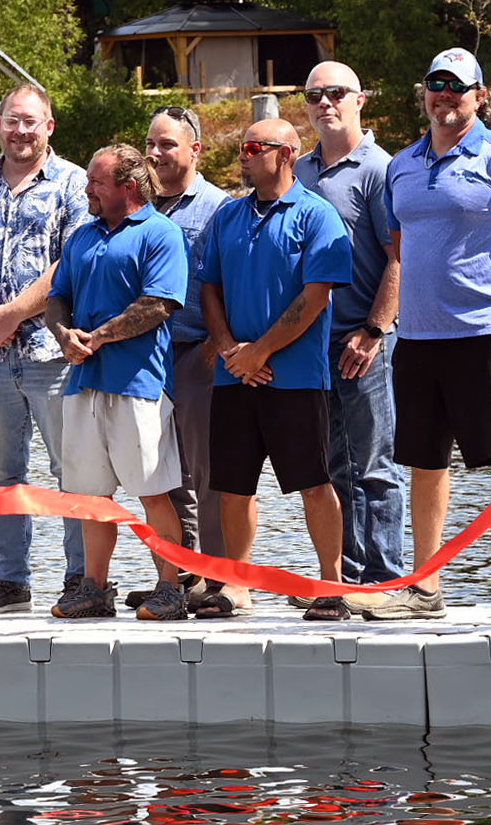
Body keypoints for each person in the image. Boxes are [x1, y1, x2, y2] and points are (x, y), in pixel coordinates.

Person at [346, 48, 491, 624]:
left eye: (457, 86)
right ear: (424, 92)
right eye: (435, 84)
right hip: (418, 339)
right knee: (424, 462)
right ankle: (424, 588)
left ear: (479, 95)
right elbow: (401, 250)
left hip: (485, 336)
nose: (445, 94)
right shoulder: (401, 166)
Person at [196, 118, 354, 621]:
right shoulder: (228, 215)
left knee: (314, 481)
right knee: (233, 485)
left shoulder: (317, 215)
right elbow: (208, 287)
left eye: (252, 147)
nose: (242, 155)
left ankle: (330, 585)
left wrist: (260, 352)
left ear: (286, 154)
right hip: (233, 375)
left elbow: (315, 297)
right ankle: (237, 585)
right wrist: (230, 350)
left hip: (296, 379)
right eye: (243, 147)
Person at [0, 82, 89, 614]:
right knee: (1, 473)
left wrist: (12, 313)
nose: (20, 131)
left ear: (48, 126)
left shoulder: (73, 183)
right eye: (11, 120)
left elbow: (70, 263)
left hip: (51, 352)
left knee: (72, 469)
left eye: (30, 121)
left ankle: (81, 580)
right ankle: (11, 583)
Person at [42, 145, 190, 620]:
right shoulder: (82, 237)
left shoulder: (160, 233)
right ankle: (94, 588)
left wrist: (100, 336)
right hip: (83, 382)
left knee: (153, 490)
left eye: (96, 182)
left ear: (127, 187)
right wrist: (63, 334)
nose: (86, 189)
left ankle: (170, 589)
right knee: (90, 495)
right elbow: (56, 298)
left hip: (139, 384)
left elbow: (158, 304)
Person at [294, 62, 407, 587]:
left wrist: (375, 330)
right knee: (332, 466)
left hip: (365, 342)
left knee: (376, 465)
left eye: (336, 93)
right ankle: (345, 577)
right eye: (314, 95)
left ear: (360, 100)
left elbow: (399, 257)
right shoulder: (299, 171)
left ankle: (387, 579)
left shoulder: (381, 170)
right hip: (312, 344)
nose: (325, 103)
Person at [146, 104, 230, 591]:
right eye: (150, 144)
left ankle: (218, 576)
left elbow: (231, 282)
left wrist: (219, 344)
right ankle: (177, 574)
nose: (155, 154)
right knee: (162, 474)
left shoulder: (219, 208)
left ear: (194, 149)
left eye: (167, 144)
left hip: (198, 353)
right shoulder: (139, 207)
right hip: (148, 359)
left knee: (208, 471)